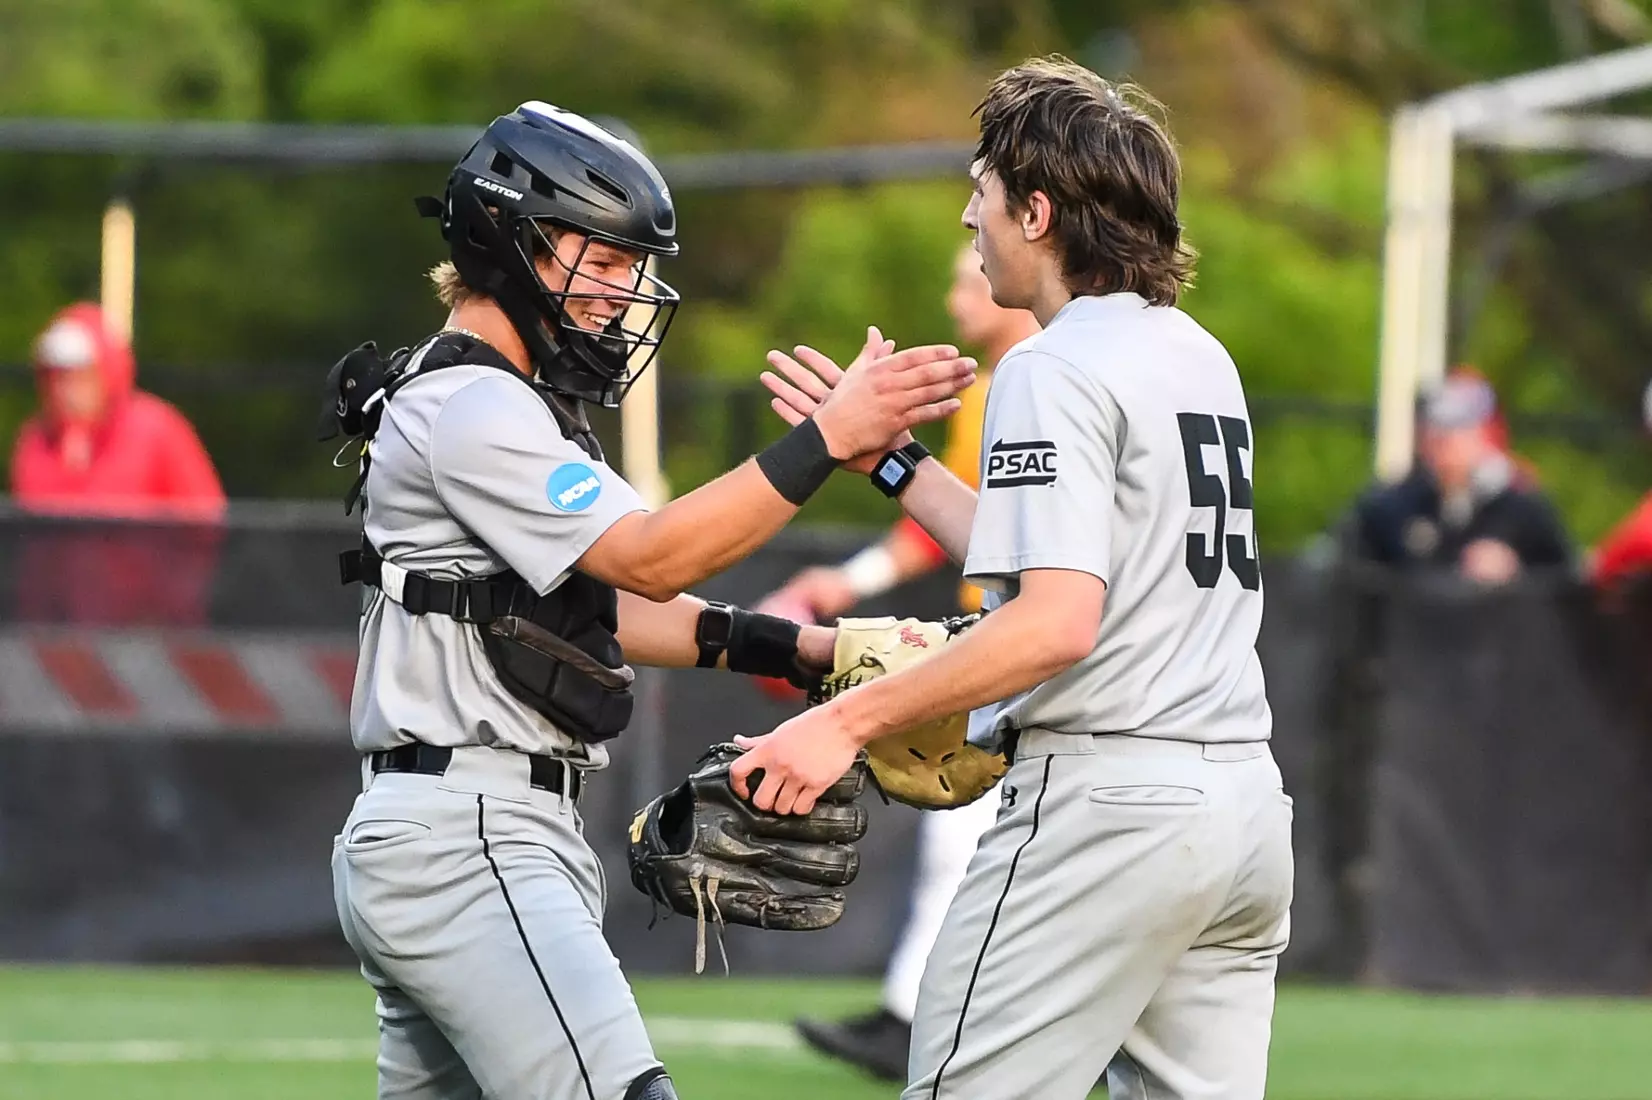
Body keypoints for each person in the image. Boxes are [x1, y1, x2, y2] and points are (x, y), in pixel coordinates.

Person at [323, 101, 975, 1100]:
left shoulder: (512, 403)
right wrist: (825, 441)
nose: (622, 291)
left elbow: (608, 609)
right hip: (471, 835)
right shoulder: (475, 403)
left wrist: (807, 649)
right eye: (603, 259)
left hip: (464, 828)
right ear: (516, 239)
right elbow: (653, 557)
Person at [731, 58, 1295, 1100]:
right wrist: (890, 463)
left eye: (980, 195)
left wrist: (838, 724)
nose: (968, 215)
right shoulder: (1194, 353)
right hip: (1240, 808)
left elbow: (1054, 622)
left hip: (1107, 801)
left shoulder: (1048, 363)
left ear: (1036, 211)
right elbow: (1064, 553)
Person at [756, 242, 1040, 1080]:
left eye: (971, 271)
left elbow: (1013, 547)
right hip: (1005, 638)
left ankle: (918, 1016)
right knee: (974, 843)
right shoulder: (1000, 383)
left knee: (970, 842)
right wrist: (852, 568)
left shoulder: (1038, 378)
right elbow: (949, 522)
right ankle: (922, 1012)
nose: (963, 293)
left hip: (1023, 646)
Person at [1350, 367, 1571, 584]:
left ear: (1485, 433)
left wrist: (1515, 574)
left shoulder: (1522, 509)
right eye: (1435, 430)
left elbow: (1564, 584)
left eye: (1458, 429)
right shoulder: (1392, 506)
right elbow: (1351, 575)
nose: (1444, 442)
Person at [10, 302, 225, 519]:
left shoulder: (156, 430)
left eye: (81, 375)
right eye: (55, 376)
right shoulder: (35, 442)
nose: (65, 389)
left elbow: (205, 519)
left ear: (106, 371)